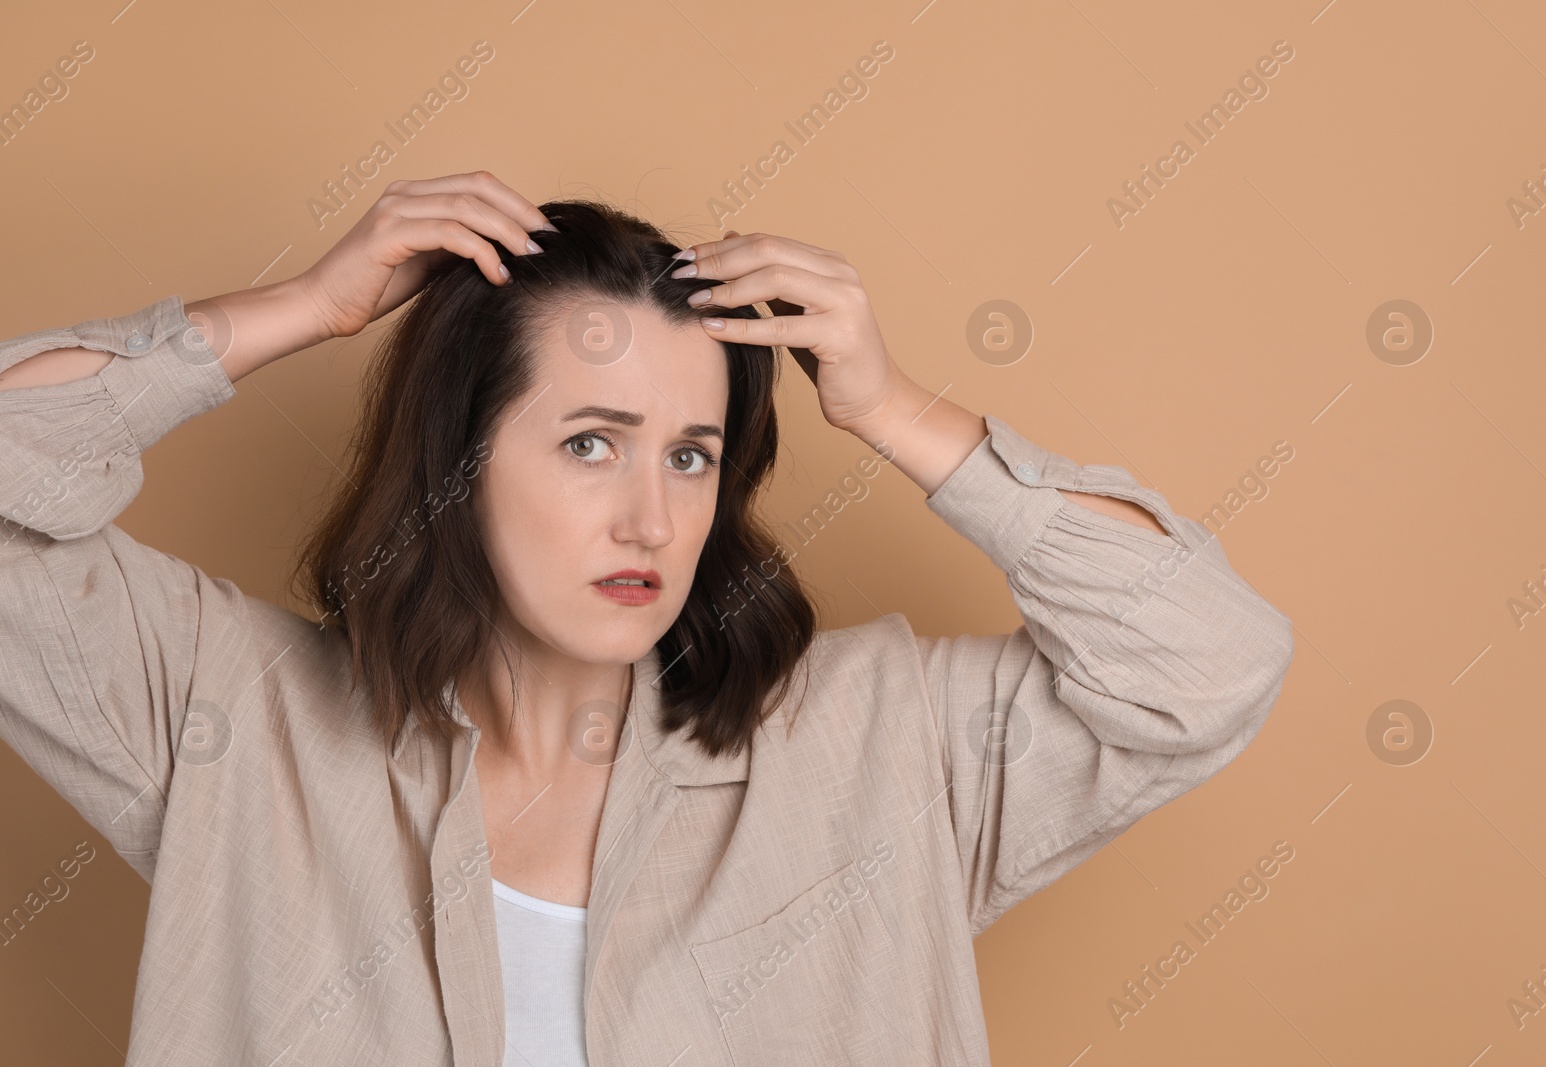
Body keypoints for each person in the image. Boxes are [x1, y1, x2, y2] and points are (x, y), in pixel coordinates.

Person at [0, 170, 1294, 1066]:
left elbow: (1207, 661)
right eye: (588, 443)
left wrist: (892, 410)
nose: (651, 519)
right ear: (457, 457)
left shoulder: (881, 752)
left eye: (690, 456)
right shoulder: (232, 715)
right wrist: (304, 309)